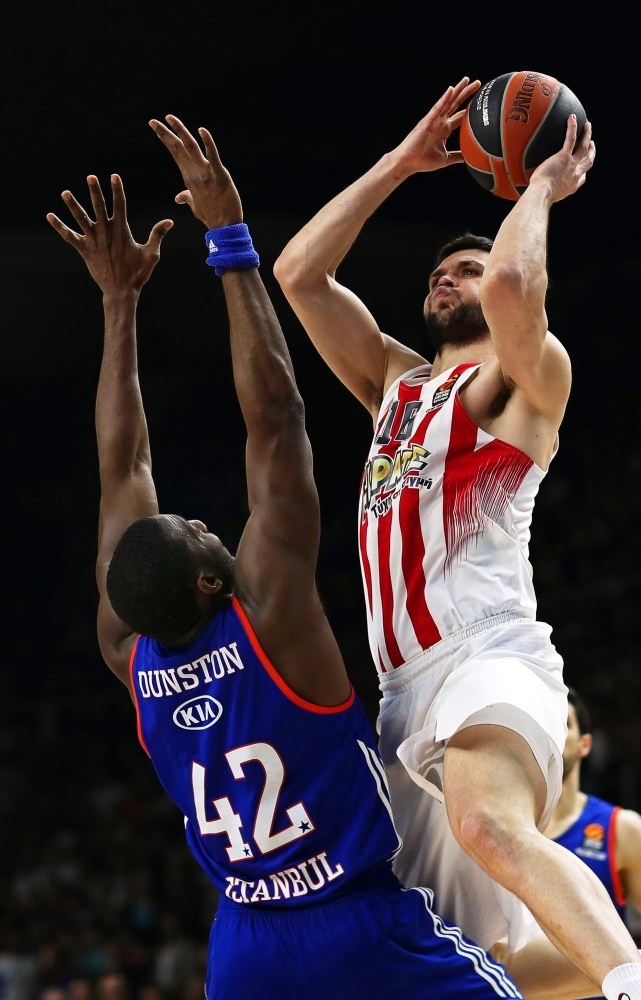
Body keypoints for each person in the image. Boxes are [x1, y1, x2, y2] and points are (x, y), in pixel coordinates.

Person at [45, 115, 524, 1000]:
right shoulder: (268, 619)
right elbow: (275, 421)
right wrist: (228, 243)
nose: (217, 531)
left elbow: (123, 470)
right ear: (210, 576)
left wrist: (119, 308)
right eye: (205, 536)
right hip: (357, 923)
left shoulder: (131, 655)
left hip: (243, 944)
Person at [273, 75, 641, 1000]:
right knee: (464, 950)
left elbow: (507, 283)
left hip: (489, 655)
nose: (444, 281)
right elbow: (299, 273)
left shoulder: (526, 381)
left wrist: (536, 183)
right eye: (434, 275)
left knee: (492, 830)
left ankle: (635, 994)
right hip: (403, 692)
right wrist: (402, 163)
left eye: (457, 271)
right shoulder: (393, 386)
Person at [547, 688, 641, 949]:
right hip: (512, 989)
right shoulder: (489, 824)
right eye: (544, 721)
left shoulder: (622, 830)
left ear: (585, 744)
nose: (553, 731)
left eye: (564, 723)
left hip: (603, 989)